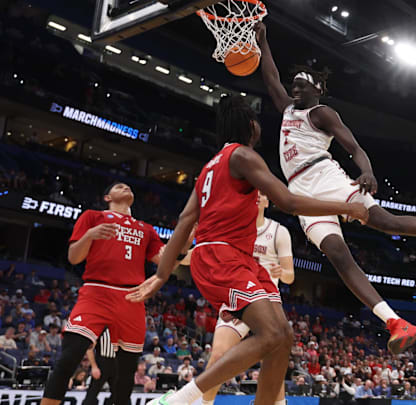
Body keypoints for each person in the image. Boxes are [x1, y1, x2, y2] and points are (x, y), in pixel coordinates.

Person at [253, 21, 416, 354]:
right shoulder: (287, 109)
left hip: (326, 177)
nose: (296, 87)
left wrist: (367, 172)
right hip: (299, 190)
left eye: (303, 84)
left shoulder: (322, 113)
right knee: (338, 256)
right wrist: (263, 41)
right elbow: (270, 77)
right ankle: (394, 322)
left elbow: (354, 147)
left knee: (386, 222)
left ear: (318, 90)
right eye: (295, 84)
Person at [127, 95, 368, 405]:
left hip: (240, 259)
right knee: (269, 334)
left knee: (283, 338)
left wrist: (162, 274)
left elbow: (187, 219)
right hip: (220, 255)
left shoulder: (210, 167)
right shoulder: (243, 156)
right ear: (250, 126)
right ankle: (179, 400)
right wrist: (345, 206)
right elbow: (289, 201)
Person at [39, 182, 191, 405]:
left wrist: (184, 244)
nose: (126, 187)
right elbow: (73, 257)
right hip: (96, 292)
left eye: (129, 187)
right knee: (69, 357)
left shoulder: (145, 228)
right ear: (107, 197)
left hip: (131, 297)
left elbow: (165, 260)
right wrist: (90, 235)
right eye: (120, 186)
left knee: (125, 374)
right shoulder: (92, 217)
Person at [191, 190, 296, 405]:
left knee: (275, 362)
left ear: (268, 202)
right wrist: (177, 255)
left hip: (267, 300)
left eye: (263, 193)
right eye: (253, 191)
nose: (258, 195)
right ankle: (203, 403)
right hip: (238, 294)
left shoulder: (278, 231)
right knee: (218, 354)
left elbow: (290, 276)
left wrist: (280, 273)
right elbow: (201, 253)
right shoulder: (232, 226)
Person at [82, 329, 118, 405]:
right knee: (91, 395)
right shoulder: (102, 328)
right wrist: (94, 366)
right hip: (102, 363)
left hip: (117, 363)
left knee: (119, 395)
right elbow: (89, 348)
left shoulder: (120, 326)